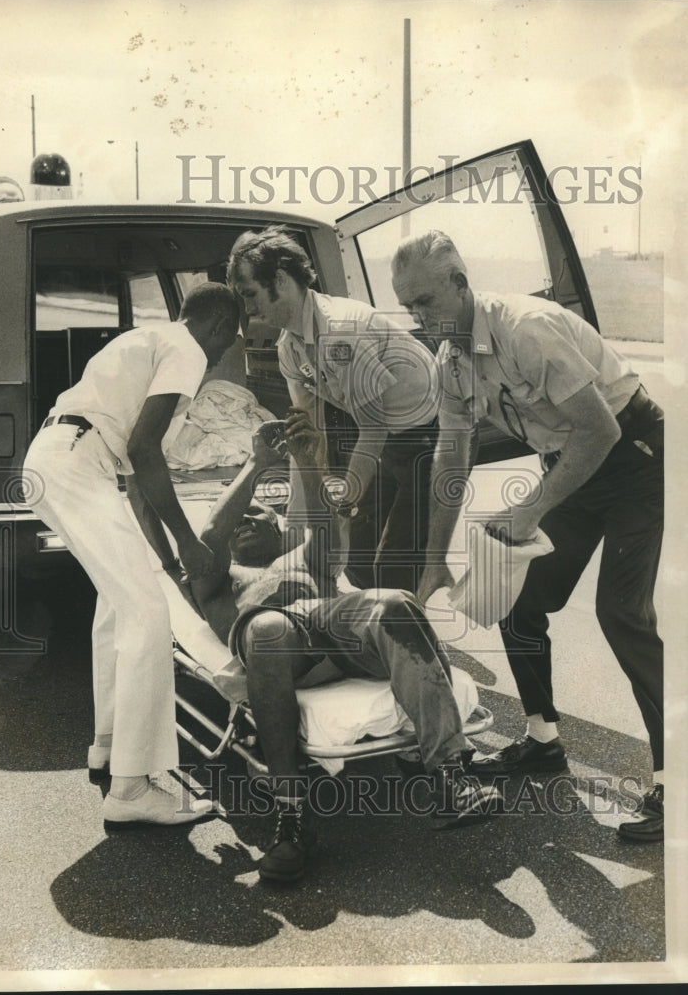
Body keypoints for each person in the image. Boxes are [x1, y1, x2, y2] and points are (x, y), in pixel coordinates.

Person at [135, 414, 501, 884]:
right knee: (266, 627)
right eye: (239, 521)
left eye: (259, 517)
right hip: (279, 645)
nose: (247, 520)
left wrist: (309, 461)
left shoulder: (305, 557)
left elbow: (324, 531)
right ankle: (292, 818)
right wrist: (258, 463)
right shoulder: (216, 581)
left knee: (396, 601)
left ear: (281, 529)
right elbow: (208, 537)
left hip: (336, 630)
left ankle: (452, 778)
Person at [391, 230, 664, 843]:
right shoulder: (449, 360)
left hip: (635, 457)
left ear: (461, 285)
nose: (418, 317)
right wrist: (434, 559)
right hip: (573, 466)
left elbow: (600, 432)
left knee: (623, 614)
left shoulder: (526, 328)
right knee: (517, 601)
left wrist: (531, 511)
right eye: (407, 306)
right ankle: (542, 740)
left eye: (426, 302)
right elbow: (450, 457)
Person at [23, 282, 240, 830]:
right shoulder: (187, 349)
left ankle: (108, 743)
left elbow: (141, 480)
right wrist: (191, 546)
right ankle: (131, 789)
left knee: (120, 607)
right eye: (229, 339)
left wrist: (168, 562)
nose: (224, 352)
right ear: (218, 326)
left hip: (58, 459)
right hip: (76, 465)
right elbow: (145, 452)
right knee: (148, 617)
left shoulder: (148, 340)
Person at [227, 226, 440, 593]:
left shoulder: (341, 331)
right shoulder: (289, 348)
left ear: (279, 279)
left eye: (251, 295)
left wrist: (341, 503)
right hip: (384, 434)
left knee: (394, 565)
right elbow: (308, 440)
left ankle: (408, 638)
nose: (248, 309)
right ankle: (389, 620)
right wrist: (300, 527)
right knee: (356, 561)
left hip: (430, 434)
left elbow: (372, 430)